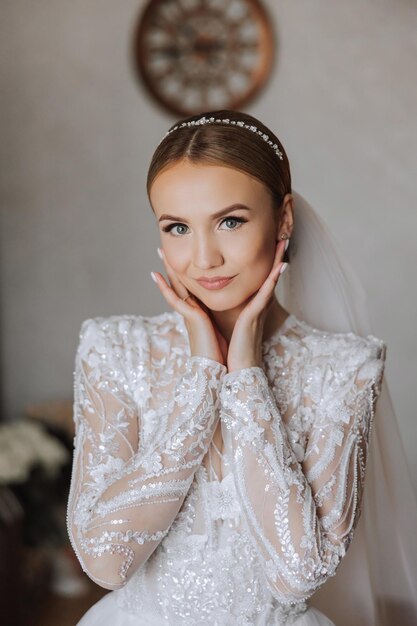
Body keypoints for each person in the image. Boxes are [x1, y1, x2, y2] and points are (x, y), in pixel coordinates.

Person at [66, 110, 416, 626]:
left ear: (285, 219)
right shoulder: (114, 349)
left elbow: (297, 574)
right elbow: (106, 562)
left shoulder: (345, 368)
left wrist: (245, 373)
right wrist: (205, 375)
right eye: (178, 227)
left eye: (230, 221)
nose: (203, 257)